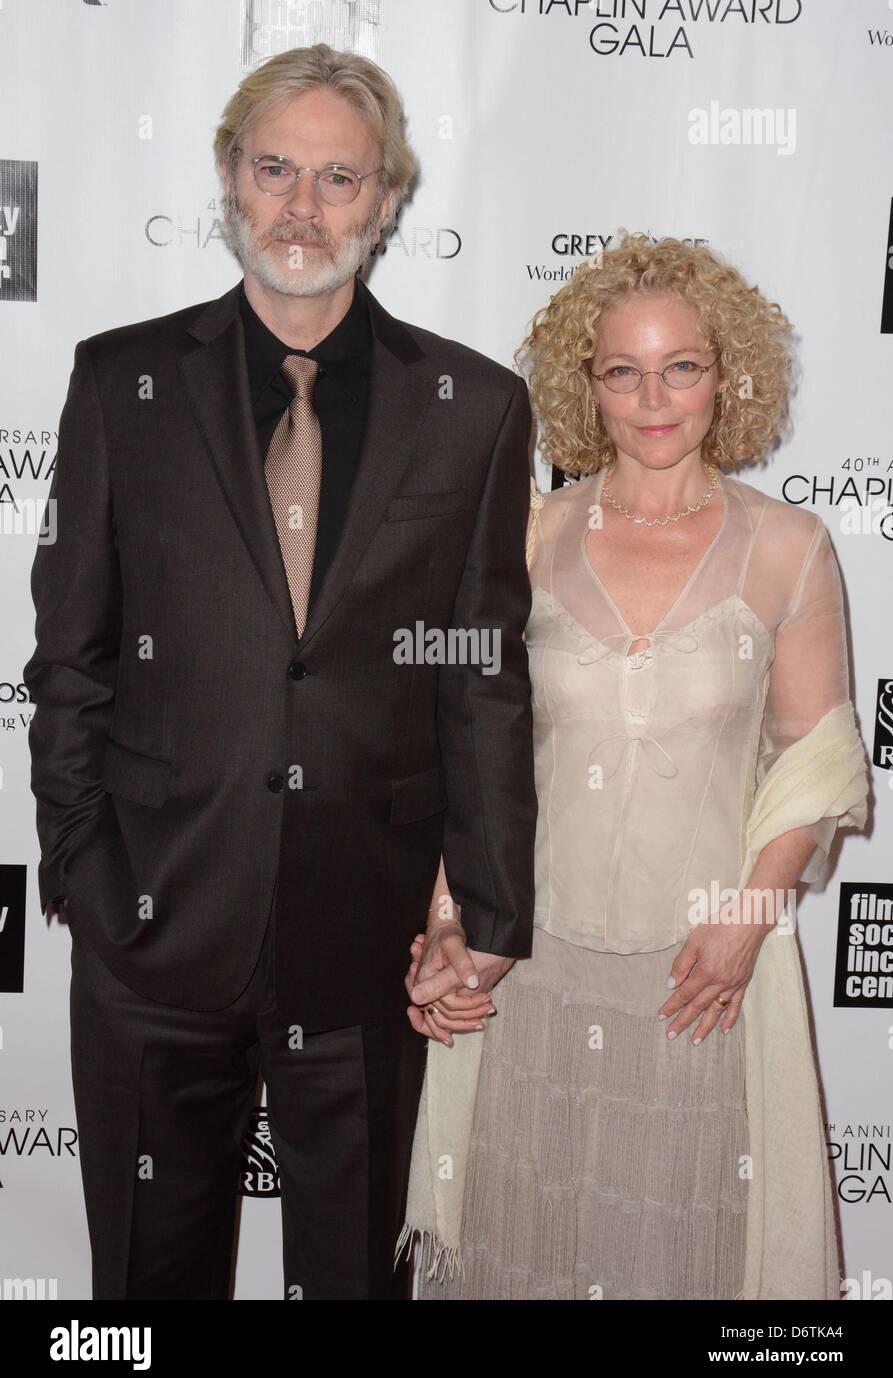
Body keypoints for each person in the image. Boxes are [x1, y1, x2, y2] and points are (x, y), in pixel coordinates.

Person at [22, 43, 536, 1300]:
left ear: (387, 200)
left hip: (366, 947)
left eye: (339, 179)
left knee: (360, 1280)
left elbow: (477, 671)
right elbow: (70, 656)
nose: (303, 206)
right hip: (154, 928)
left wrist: (484, 906)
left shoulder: (472, 405)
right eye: (275, 170)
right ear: (228, 179)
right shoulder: (120, 381)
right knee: (146, 1287)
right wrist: (91, 874)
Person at [401, 233, 869, 1300]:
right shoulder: (521, 536)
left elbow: (816, 756)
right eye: (622, 370)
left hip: (698, 979)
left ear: (725, 374)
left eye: (681, 366)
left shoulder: (786, 545)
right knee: (522, 1248)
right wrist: (444, 922)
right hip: (532, 970)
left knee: (681, 1261)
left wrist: (748, 917)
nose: (652, 398)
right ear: (586, 385)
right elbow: (476, 758)